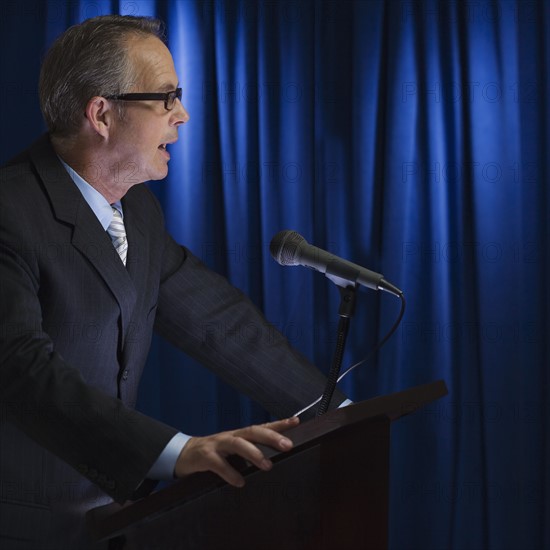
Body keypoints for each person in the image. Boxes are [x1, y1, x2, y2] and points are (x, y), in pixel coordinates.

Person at [0, 15, 347, 549]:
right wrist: (174, 451)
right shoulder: (10, 211)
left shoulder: (137, 211)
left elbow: (218, 324)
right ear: (101, 113)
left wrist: (335, 412)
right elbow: (20, 369)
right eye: (165, 97)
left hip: (109, 526)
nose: (181, 115)